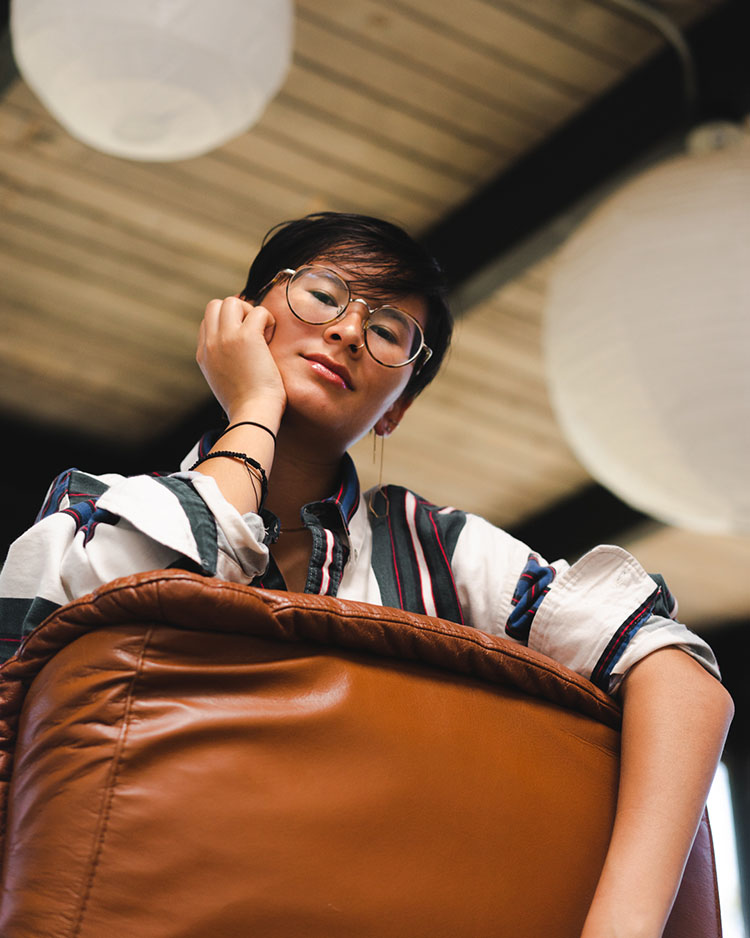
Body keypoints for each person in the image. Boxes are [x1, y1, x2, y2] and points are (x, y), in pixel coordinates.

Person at [0, 212, 733, 937]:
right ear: (246, 321)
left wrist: (623, 923)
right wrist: (252, 409)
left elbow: (679, 677)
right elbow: (145, 621)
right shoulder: (93, 510)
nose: (350, 331)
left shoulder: (439, 551)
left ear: (397, 408)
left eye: (388, 333)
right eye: (323, 295)